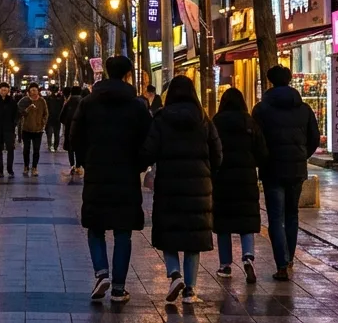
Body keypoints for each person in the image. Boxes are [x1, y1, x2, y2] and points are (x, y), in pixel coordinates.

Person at [69, 55, 151, 303]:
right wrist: (139, 164)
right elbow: (149, 140)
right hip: (126, 175)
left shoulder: (89, 102)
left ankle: (101, 272)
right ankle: (118, 288)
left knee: (96, 227)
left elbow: (74, 137)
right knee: (123, 232)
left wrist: (87, 161)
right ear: (128, 75)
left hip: (97, 174)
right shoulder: (137, 106)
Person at [141, 75, 220, 304]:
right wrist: (209, 173)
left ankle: (175, 274)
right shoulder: (204, 119)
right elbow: (217, 153)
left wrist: (142, 165)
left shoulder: (161, 118)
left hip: (169, 185)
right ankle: (190, 290)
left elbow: (148, 151)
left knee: (169, 232)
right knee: (193, 239)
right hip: (198, 187)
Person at [253, 64, 320, 281]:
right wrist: (302, 155)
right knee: (292, 214)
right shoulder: (304, 109)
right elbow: (314, 138)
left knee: (275, 217)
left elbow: (256, 140)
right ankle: (289, 258)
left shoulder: (261, 109)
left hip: (271, 169)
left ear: (270, 81)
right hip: (296, 169)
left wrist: (262, 159)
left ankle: (281, 264)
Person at [212, 87, 268, 283]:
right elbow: (262, 152)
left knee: (223, 224)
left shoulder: (217, 122)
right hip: (246, 178)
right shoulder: (249, 122)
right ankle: (248, 256)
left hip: (222, 179)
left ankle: (225, 265)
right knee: (246, 221)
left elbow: (211, 149)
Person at [17, 84, 48, 176]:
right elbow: (19, 112)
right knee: (26, 149)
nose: (34, 92)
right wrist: (28, 108)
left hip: (38, 130)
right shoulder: (25, 100)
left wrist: (43, 123)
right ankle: (26, 166)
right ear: (29, 91)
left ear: (38, 91)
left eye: (35, 90)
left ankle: (34, 167)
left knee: (36, 150)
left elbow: (46, 113)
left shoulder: (42, 101)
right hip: (26, 129)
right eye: (32, 90)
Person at [60, 86, 85, 175]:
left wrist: (67, 123)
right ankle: (78, 166)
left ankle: (72, 165)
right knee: (79, 147)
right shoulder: (83, 102)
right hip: (81, 129)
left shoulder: (68, 103)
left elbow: (61, 117)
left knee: (70, 148)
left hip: (69, 129)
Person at [45, 86, 65, 152]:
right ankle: (55, 147)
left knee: (49, 133)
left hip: (50, 118)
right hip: (57, 118)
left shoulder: (47, 99)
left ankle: (50, 145)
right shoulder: (60, 99)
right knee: (56, 134)